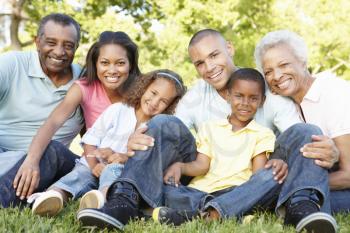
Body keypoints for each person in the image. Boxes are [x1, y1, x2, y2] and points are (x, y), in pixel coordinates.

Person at [77, 29, 338, 233]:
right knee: (161, 124)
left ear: (229, 49)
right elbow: (171, 135)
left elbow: (297, 139)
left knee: (306, 132)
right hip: (206, 180)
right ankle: (124, 201)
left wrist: (284, 158)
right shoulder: (195, 96)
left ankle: (301, 206)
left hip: (257, 180)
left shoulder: (264, 89)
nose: (209, 67)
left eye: (214, 56)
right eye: (200, 63)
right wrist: (144, 136)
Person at [29, 69, 186, 217]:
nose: (154, 102)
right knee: (79, 176)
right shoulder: (118, 110)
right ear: (144, 87)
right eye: (153, 93)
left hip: (120, 174)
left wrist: (121, 157)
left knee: (113, 176)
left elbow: (147, 162)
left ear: (170, 105)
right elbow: (90, 141)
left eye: (163, 101)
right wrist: (94, 165)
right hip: (92, 165)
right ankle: (54, 195)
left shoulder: (157, 127)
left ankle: (100, 200)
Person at [151, 68, 287, 225]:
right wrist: (180, 167)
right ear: (228, 96)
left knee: (271, 177)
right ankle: (226, 212)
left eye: (253, 98)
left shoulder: (263, 133)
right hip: (202, 191)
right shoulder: (210, 127)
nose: (245, 103)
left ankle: (200, 215)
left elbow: (257, 177)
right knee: (170, 190)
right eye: (239, 96)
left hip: (236, 191)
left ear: (262, 101)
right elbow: (202, 165)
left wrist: (253, 189)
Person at [254, 30, 350, 214]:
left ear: (303, 62)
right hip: (325, 180)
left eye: (284, 65)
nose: (277, 75)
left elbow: (348, 174)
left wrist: (296, 183)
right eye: (269, 72)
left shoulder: (334, 92)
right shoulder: (287, 105)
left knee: (281, 200)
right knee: (281, 200)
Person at [0, 13, 83, 207]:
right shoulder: (13, 64)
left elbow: (97, 133)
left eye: (68, 45)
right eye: (51, 42)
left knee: (53, 149)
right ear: (37, 42)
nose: (59, 51)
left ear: (76, 48)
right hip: (4, 153)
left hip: (48, 162)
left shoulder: (84, 82)